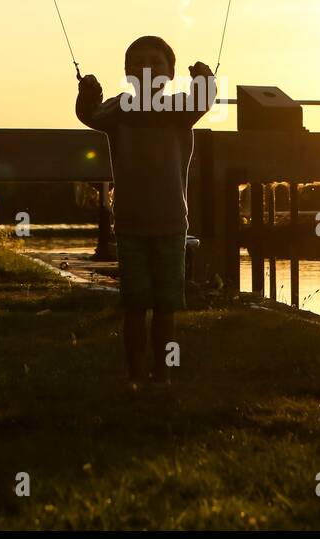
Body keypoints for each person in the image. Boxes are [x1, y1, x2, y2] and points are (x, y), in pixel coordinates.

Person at [75, 35, 216, 385]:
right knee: (134, 306)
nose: (147, 66)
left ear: (170, 72)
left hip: (171, 222)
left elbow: (204, 98)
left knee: (166, 307)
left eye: (156, 60)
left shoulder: (180, 108)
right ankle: (136, 374)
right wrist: (87, 93)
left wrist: (204, 77)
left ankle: (162, 374)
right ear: (127, 73)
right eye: (138, 61)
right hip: (130, 223)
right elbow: (88, 114)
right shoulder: (118, 108)